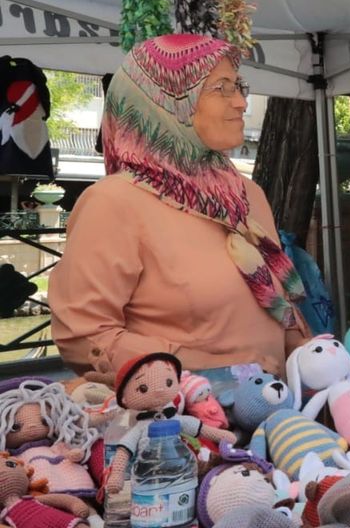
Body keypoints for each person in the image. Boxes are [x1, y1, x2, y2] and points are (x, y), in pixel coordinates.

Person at [50, 34, 309, 376]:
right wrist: (205, 373)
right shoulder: (113, 203)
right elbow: (84, 336)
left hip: (275, 410)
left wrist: (314, 359)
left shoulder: (245, 193)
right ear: (165, 101)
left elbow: (278, 310)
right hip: (179, 419)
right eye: (221, 88)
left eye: (238, 86)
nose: (241, 103)